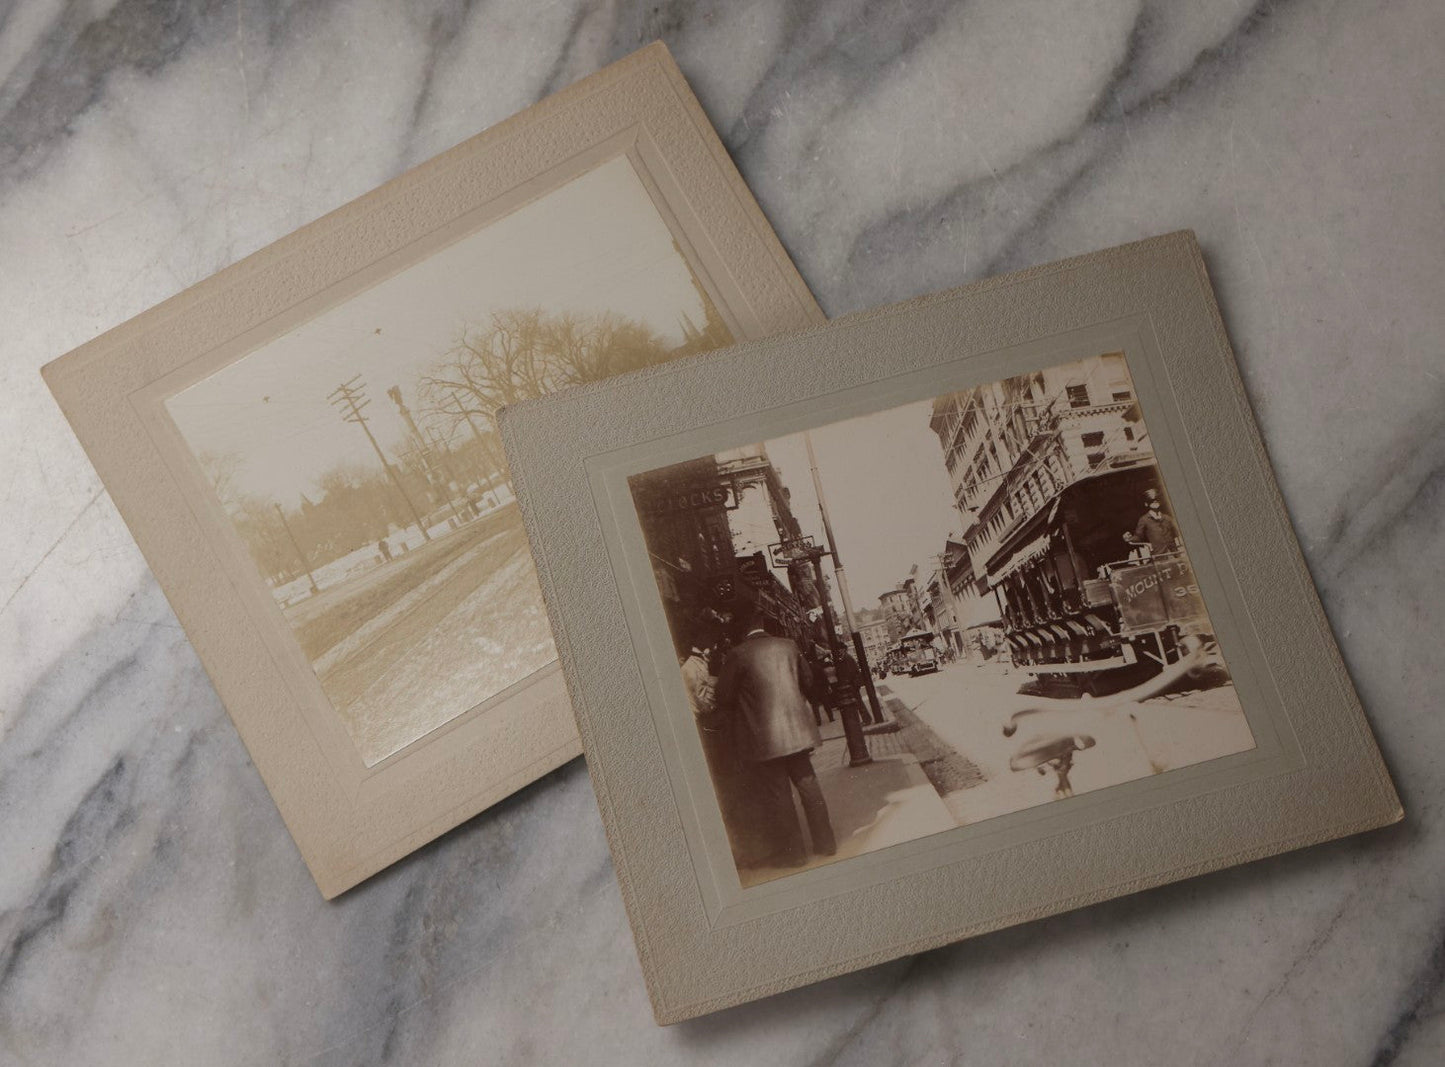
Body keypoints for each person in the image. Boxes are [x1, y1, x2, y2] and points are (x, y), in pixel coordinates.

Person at [714, 615, 837, 866]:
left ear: (741, 630)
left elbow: (723, 696)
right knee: (809, 787)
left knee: (779, 796)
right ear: (762, 627)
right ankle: (827, 844)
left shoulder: (738, 654)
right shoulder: (789, 645)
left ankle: (795, 855)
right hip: (798, 734)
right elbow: (809, 681)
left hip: (765, 738)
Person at [1123, 489, 1179, 557]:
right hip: (1160, 556)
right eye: (1151, 501)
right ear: (1146, 504)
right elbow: (1139, 536)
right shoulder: (1144, 520)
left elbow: (1178, 532)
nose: (1155, 501)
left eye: (1157, 499)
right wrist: (1129, 539)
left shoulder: (1167, 518)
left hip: (1175, 555)